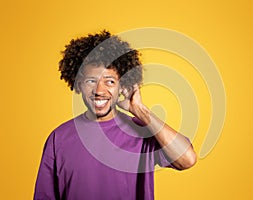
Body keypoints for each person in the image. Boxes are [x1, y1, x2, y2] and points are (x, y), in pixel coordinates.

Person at [34, 30, 197, 200]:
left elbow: (187, 159)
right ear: (78, 83)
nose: (99, 91)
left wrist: (141, 111)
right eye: (91, 81)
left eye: (110, 82)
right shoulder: (58, 138)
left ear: (122, 86)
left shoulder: (142, 132)